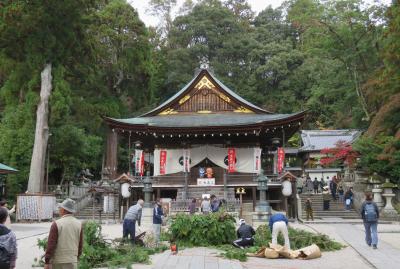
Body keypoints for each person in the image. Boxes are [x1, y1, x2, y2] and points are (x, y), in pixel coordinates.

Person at [44, 198, 83, 269]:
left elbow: (51, 244)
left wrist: (47, 261)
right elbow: (80, 245)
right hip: (72, 261)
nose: (59, 210)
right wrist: (76, 258)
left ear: (64, 210)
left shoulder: (57, 224)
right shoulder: (79, 224)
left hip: (58, 262)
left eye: (60, 208)